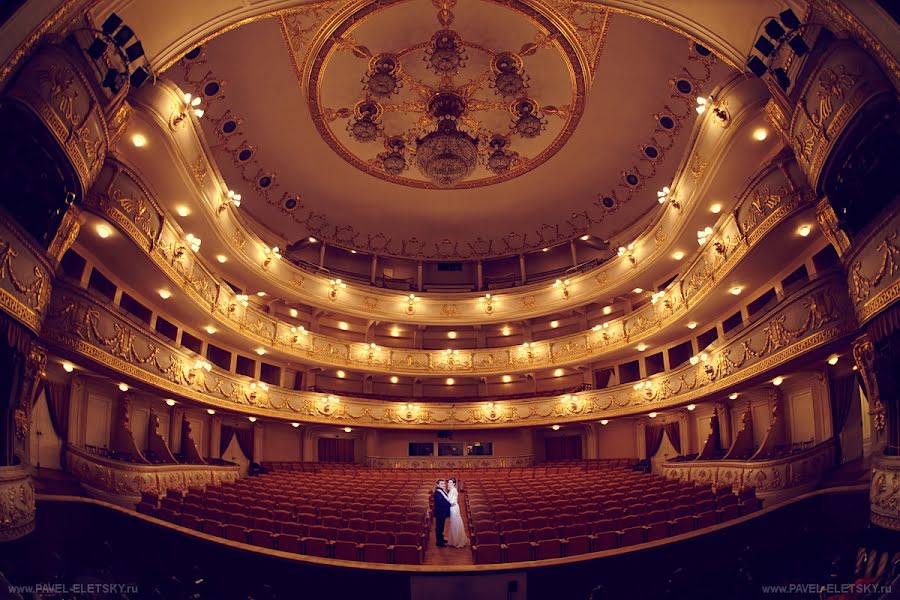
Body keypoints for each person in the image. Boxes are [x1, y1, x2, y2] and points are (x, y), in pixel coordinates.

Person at [446, 478, 469, 548]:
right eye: (448, 482)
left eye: (450, 483)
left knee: (455, 523)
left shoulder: (453, 490)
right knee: (454, 523)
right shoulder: (451, 490)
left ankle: (457, 541)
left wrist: (444, 497)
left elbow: (450, 500)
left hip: (454, 508)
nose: (448, 484)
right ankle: (454, 540)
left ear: (454, 484)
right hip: (453, 507)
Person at [433, 479, 451, 547]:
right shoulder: (438, 492)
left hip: (442, 513)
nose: (443, 485)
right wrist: (449, 505)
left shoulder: (442, 491)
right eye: (441, 484)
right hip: (439, 513)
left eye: (443, 483)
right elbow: (441, 503)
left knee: (442, 527)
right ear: (437, 485)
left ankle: (441, 539)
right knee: (439, 527)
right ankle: (439, 542)